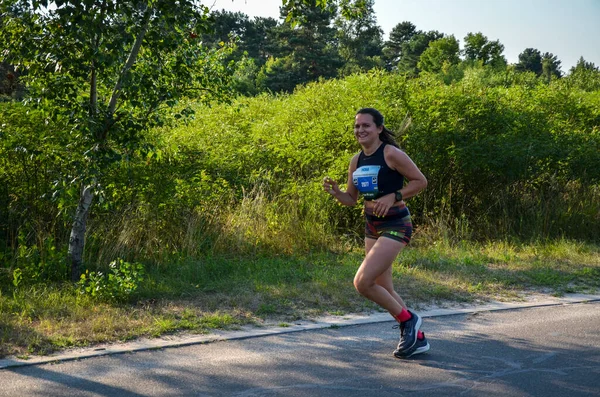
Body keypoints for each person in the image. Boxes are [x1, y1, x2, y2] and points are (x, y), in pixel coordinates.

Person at [323, 107, 429, 358]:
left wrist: (394, 195)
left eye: (366, 125)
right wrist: (338, 193)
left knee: (362, 282)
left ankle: (409, 320)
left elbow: (420, 181)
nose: (360, 130)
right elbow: (352, 198)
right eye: (357, 126)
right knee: (384, 286)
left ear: (379, 129)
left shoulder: (391, 153)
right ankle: (418, 338)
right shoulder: (356, 160)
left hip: (396, 223)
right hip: (372, 224)